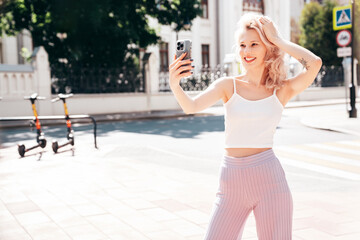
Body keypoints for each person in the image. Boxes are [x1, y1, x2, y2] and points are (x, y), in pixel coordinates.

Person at [168, 13, 322, 240]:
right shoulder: (227, 85)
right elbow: (191, 106)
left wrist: (277, 39)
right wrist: (174, 84)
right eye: (242, 45)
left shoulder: (281, 89)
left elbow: (314, 63)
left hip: (270, 181)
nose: (246, 51)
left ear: (267, 49)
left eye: (253, 44)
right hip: (231, 182)